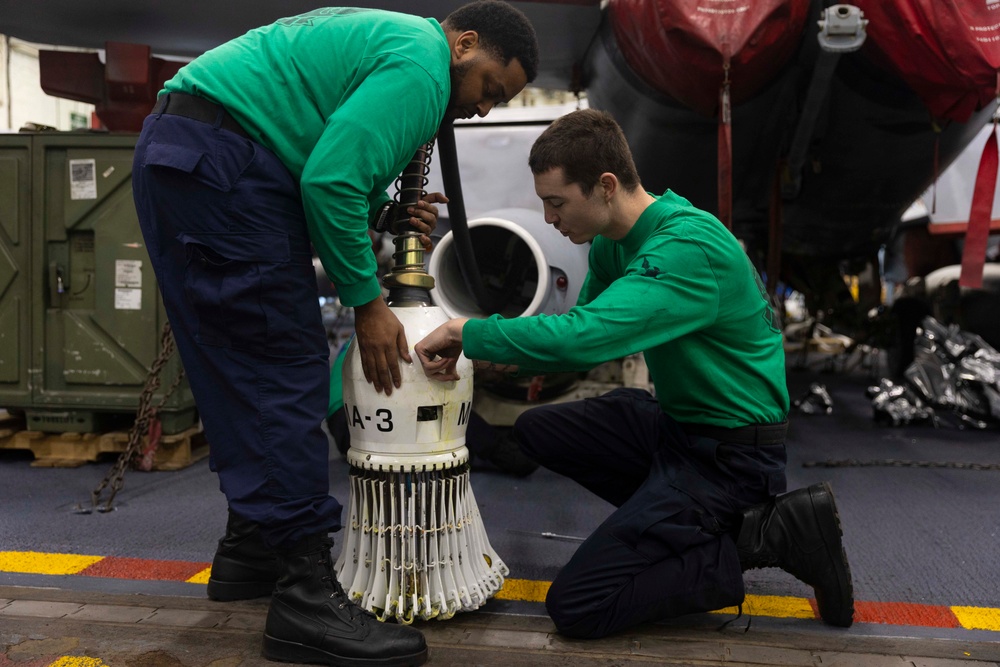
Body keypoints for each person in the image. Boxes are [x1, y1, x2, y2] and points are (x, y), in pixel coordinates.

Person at [131, 3, 539, 665]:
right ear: (464, 44)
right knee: (282, 369)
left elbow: (321, 153)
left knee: (243, 368)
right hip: (226, 167)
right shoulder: (424, 66)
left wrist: (385, 211)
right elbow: (329, 181)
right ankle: (304, 596)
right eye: (490, 88)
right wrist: (367, 303)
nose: (484, 108)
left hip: (194, 157)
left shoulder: (397, 41)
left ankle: (251, 549)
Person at [415, 109, 854, 639]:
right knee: (535, 431)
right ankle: (675, 522)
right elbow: (580, 340)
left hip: (732, 458)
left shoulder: (685, 247)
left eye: (557, 202)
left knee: (579, 606)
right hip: (676, 426)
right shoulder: (612, 242)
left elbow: (585, 337)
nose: (549, 218)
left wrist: (467, 331)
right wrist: (486, 359)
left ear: (605, 186)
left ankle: (767, 535)